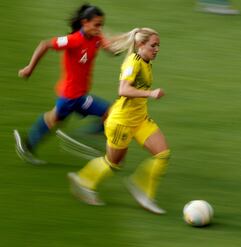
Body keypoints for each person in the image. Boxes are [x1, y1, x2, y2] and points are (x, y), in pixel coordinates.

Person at [68, 28, 170, 215]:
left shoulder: (146, 62)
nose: (157, 49)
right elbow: (123, 89)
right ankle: (84, 180)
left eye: (158, 46)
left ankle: (142, 189)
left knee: (163, 154)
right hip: (121, 122)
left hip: (139, 120)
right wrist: (150, 93)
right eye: (153, 45)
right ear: (140, 45)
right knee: (114, 163)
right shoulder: (133, 62)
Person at [14, 4, 114, 164]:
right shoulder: (73, 40)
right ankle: (84, 136)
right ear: (84, 22)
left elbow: (111, 49)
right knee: (110, 112)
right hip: (71, 96)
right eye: (96, 25)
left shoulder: (96, 38)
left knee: (53, 119)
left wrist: (131, 38)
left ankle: (26, 146)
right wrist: (29, 68)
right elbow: (44, 45)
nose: (99, 28)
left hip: (78, 95)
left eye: (101, 25)